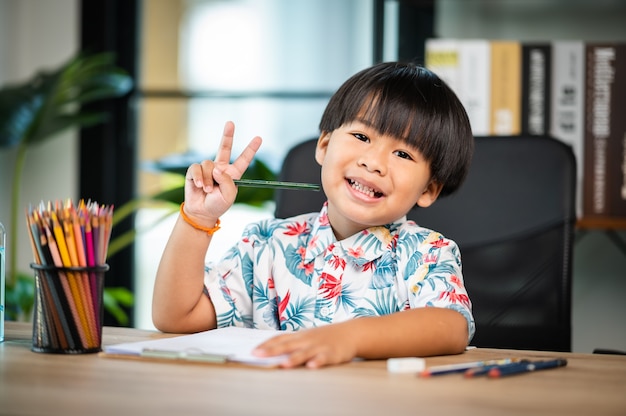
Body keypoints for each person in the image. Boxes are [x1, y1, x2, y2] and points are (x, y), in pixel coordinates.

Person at [152, 61, 475, 369]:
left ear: (428, 190)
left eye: (403, 153)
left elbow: (450, 326)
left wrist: (347, 339)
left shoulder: (427, 254)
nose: (374, 162)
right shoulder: (266, 244)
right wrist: (198, 218)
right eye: (362, 137)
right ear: (324, 144)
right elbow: (177, 318)